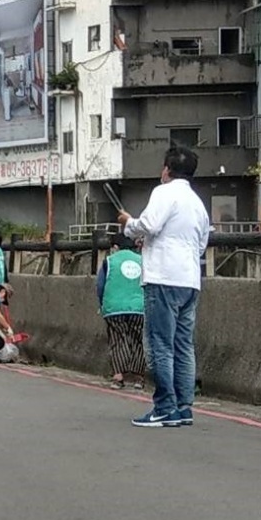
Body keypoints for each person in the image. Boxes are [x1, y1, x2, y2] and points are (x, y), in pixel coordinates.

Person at [118, 146, 210, 428]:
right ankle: (183, 407)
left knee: (160, 343)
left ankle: (164, 406)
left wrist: (128, 224)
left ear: (167, 170)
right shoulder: (197, 203)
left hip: (162, 278)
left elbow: (149, 223)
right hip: (189, 280)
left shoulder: (164, 192)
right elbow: (202, 243)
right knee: (183, 345)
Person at [96, 233, 146, 390]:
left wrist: (102, 304)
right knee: (138, 341)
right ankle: (139, 378)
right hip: (139, 308)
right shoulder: (142, 260)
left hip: (114, 307)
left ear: (115, 247)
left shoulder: (109, 261)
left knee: (117, 340)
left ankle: (118, 377)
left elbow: (100, 286)